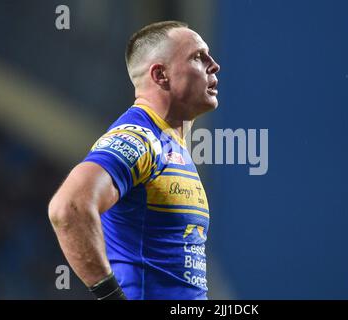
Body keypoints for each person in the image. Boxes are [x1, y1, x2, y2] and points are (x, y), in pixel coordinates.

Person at [48, 21, 220, 300]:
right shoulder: (138, 138)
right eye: (198, 57)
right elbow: (68, 207)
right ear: (160, 75)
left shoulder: (169, 143)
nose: (214, 65)